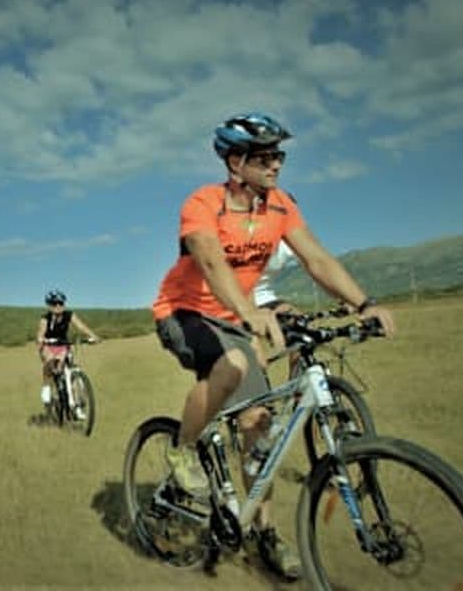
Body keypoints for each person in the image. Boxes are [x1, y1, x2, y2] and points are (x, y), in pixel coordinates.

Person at [152, 112, 395, 578]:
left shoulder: (280, 206)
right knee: (233, 365)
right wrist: (248, 313)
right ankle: (183, 449)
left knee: (257, 427)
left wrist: (365, 302)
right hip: (184, 312)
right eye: (266, 157)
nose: (277, 165)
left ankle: (264, 531)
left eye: (279, 155)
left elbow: (317, 259)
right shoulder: (203, 203)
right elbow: (209, 260)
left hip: (234, 317)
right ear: (235, 162)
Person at [36, 289, 100, 418]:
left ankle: (76, 406)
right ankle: (47, 388)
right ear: (49, 305)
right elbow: (40, 333)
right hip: (49, 345)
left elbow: (81, 326)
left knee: (68, 370)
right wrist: (41, 339)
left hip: (63, 345)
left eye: (61, 303)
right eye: (55, 304)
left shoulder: (69, 315)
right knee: (50, 362)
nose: (58, 306)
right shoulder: (45, 319)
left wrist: (93, 336)